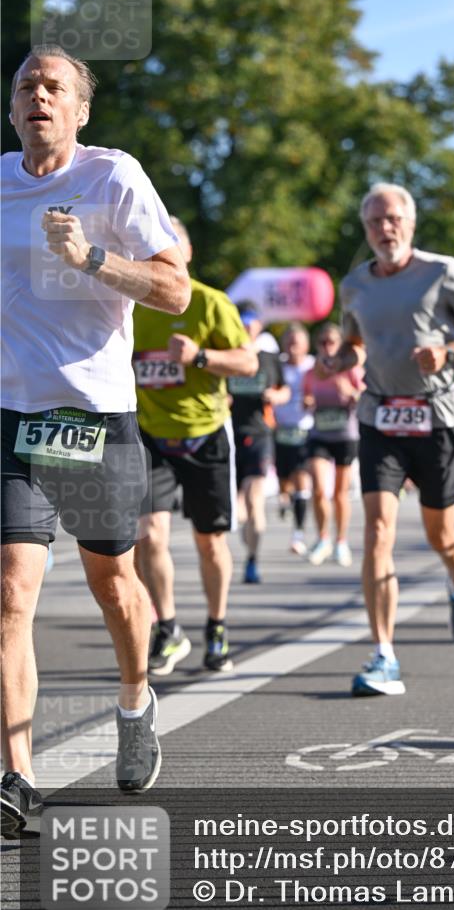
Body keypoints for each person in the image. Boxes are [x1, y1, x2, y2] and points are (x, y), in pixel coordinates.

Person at [1, 45, 191, 835]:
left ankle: (134, 697)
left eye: (53, 88)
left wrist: (92, 258)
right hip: (13, 415)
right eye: (24, 87)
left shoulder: (112, 177)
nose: (36, 96)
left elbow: (176, 290)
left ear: (80, 110)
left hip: (89, 415)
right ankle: (16, 778)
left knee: (113, 585)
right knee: (11, 593)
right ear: (12, 110)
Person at [317, 183, 454, 697]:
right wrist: (339, 362)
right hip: (380, 418)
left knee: (441, 535)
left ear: (411, 223)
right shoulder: (354, 284)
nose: (385, 228)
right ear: (366, 228)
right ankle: (384, 654)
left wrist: (450, 351)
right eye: (375, 221)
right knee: (377, 531)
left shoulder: (443, 271)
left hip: (438, 420)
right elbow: (356, 344)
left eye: (393, 218)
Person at [133, 218, 257, 675]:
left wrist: (200, 358)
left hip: (205, 435)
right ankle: (167, 629)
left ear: (185, 254)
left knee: (210, 542)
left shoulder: (210, 302)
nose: (156, 251)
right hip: (151, 436)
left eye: (167, 243)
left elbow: (248, 362)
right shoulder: (130, 305)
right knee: (150, 534)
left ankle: (217, 627)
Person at [229, 303, 290, 584]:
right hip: (229, 433)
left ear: (259, 326)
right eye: (242, 322)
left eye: (251, 323)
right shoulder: (226, 354)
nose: (247, 327)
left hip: (260, 432)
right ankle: (247, 550)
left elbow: (285, 389)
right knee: (237, 506)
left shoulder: (269, 357)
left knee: (254, 499)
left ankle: (252, 560)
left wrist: (275, 397)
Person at [303, 323, 365, 567]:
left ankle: (341, 541)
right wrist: (307, 401)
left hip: (345, 435)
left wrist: (350, 391)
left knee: (340, 493)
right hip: (320, 434)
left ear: (339, 346)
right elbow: (305, 396)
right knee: (318, 488)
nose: (327, 347)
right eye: (323, 342)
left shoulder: (350, 369)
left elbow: (364, 396)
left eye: (332, 342)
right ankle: (322, 538)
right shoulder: (312, 371)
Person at [274, 323, 315, 556]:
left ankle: (298, 533)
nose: (292, 347)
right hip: (280, 429)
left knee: (301, 478)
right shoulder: (278, 365)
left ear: (306, 345)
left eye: (296, 343)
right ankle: (285, 499)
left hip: (304, 428)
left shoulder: (312, 366)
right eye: (288, 342)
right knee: (283, 480)